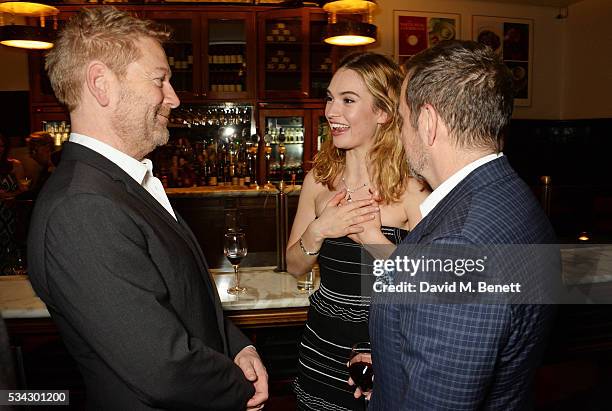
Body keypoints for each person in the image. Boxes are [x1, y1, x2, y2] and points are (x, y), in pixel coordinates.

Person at [27, 7, 267, 410]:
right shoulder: (82, 207)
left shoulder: (119, 185)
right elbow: (164, 368)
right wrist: (240, 387)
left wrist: (236, 347)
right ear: (102, 85)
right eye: (160, 80)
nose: (172, 97)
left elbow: (183, 304)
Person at [368, 40, 556, 410]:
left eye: (404, 121)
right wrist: (392, 367)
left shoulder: (457, 245)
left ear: (428, 123)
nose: (401, 136)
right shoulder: (514, 195)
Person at [286, 52, 429, 411]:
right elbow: (293, 266)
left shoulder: (413, 191)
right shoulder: (317, 183)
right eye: (331, 99)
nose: (332, 111)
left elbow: (427, 284)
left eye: (348, 100)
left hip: (382, 350)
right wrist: (317, 231)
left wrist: (375, 240)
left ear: (382, 112)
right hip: (319, 345)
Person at [0, 132, 27, 273]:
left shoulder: (15, 165)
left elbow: (24, 191)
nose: (0, 149)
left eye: (2, 145)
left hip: (10, 215)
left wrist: (8, 195)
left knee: (11, 249)